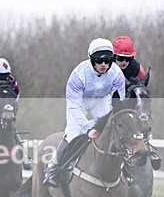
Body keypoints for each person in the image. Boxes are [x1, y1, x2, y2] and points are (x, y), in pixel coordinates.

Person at [43, 38, 126, 187]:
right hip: (79, 102)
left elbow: (119, 102)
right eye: (99, 61)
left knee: (112, 128)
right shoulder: (79, 74)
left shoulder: (116, 73)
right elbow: (74, 106)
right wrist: (88, 129)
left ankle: (124, 169)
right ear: (91, 59)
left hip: (101, 100)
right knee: (73, 132)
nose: (104, 65)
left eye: (108, 60)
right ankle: (52, 167)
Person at [112, 35, 161, 170]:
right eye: (120, 58)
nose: (123, 62)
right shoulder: (106, 67)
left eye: (127, 59)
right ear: (113, 57)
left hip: (128, 98)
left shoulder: (138, 70)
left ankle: (147, 148)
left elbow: (141, 90)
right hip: (109, 98)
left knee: (137, 120)